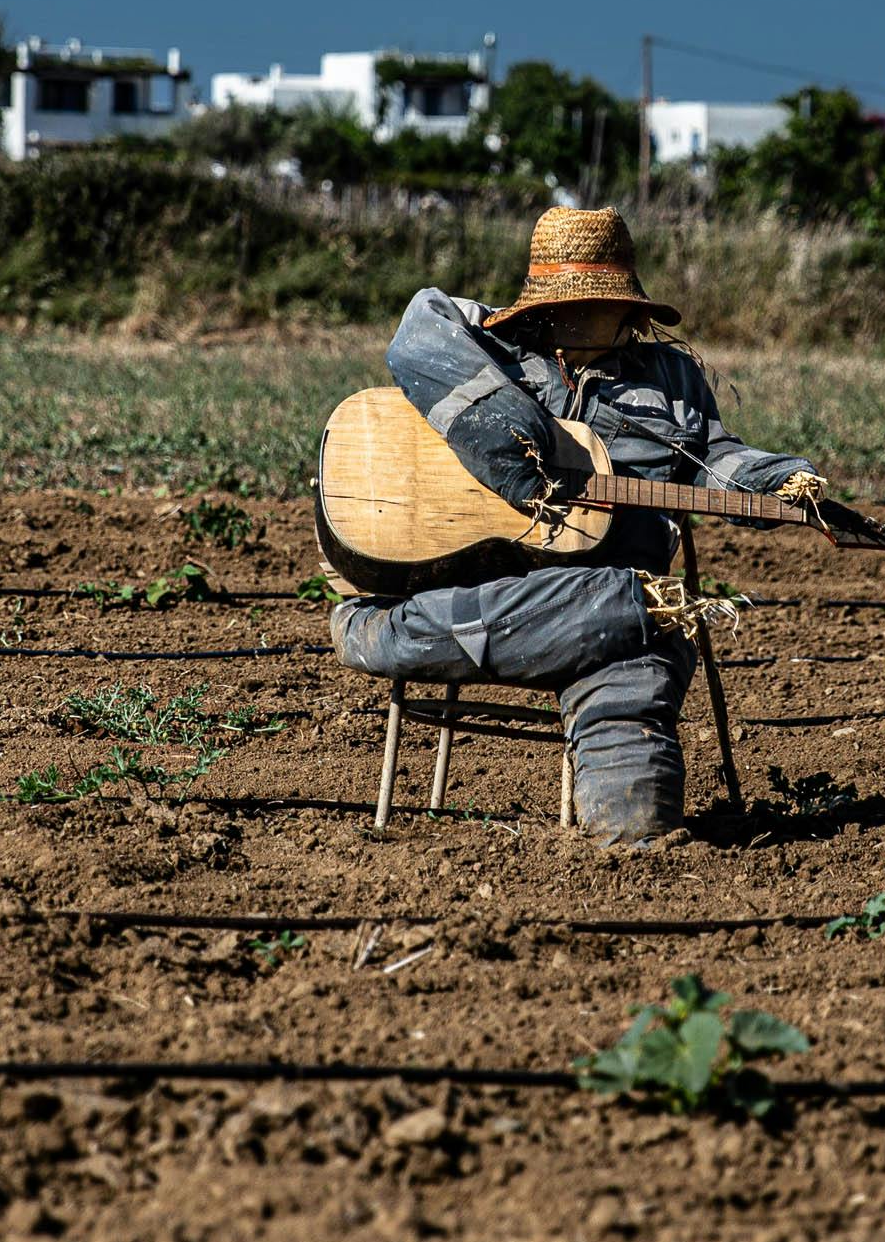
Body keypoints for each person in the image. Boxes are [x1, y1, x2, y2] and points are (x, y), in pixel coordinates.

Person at [325, 207, 826, 844]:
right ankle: (617, 606)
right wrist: (507, 433)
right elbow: (419, 326)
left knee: (639, 812)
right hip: (458, 600)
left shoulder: (673, 378)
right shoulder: (485, 339)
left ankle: (637, 845)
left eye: (603, 303)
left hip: (618, 624)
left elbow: (710, 459)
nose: (591, 316)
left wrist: (773, 479)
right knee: (644, 613)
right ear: (545, 306)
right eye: (577, 303)